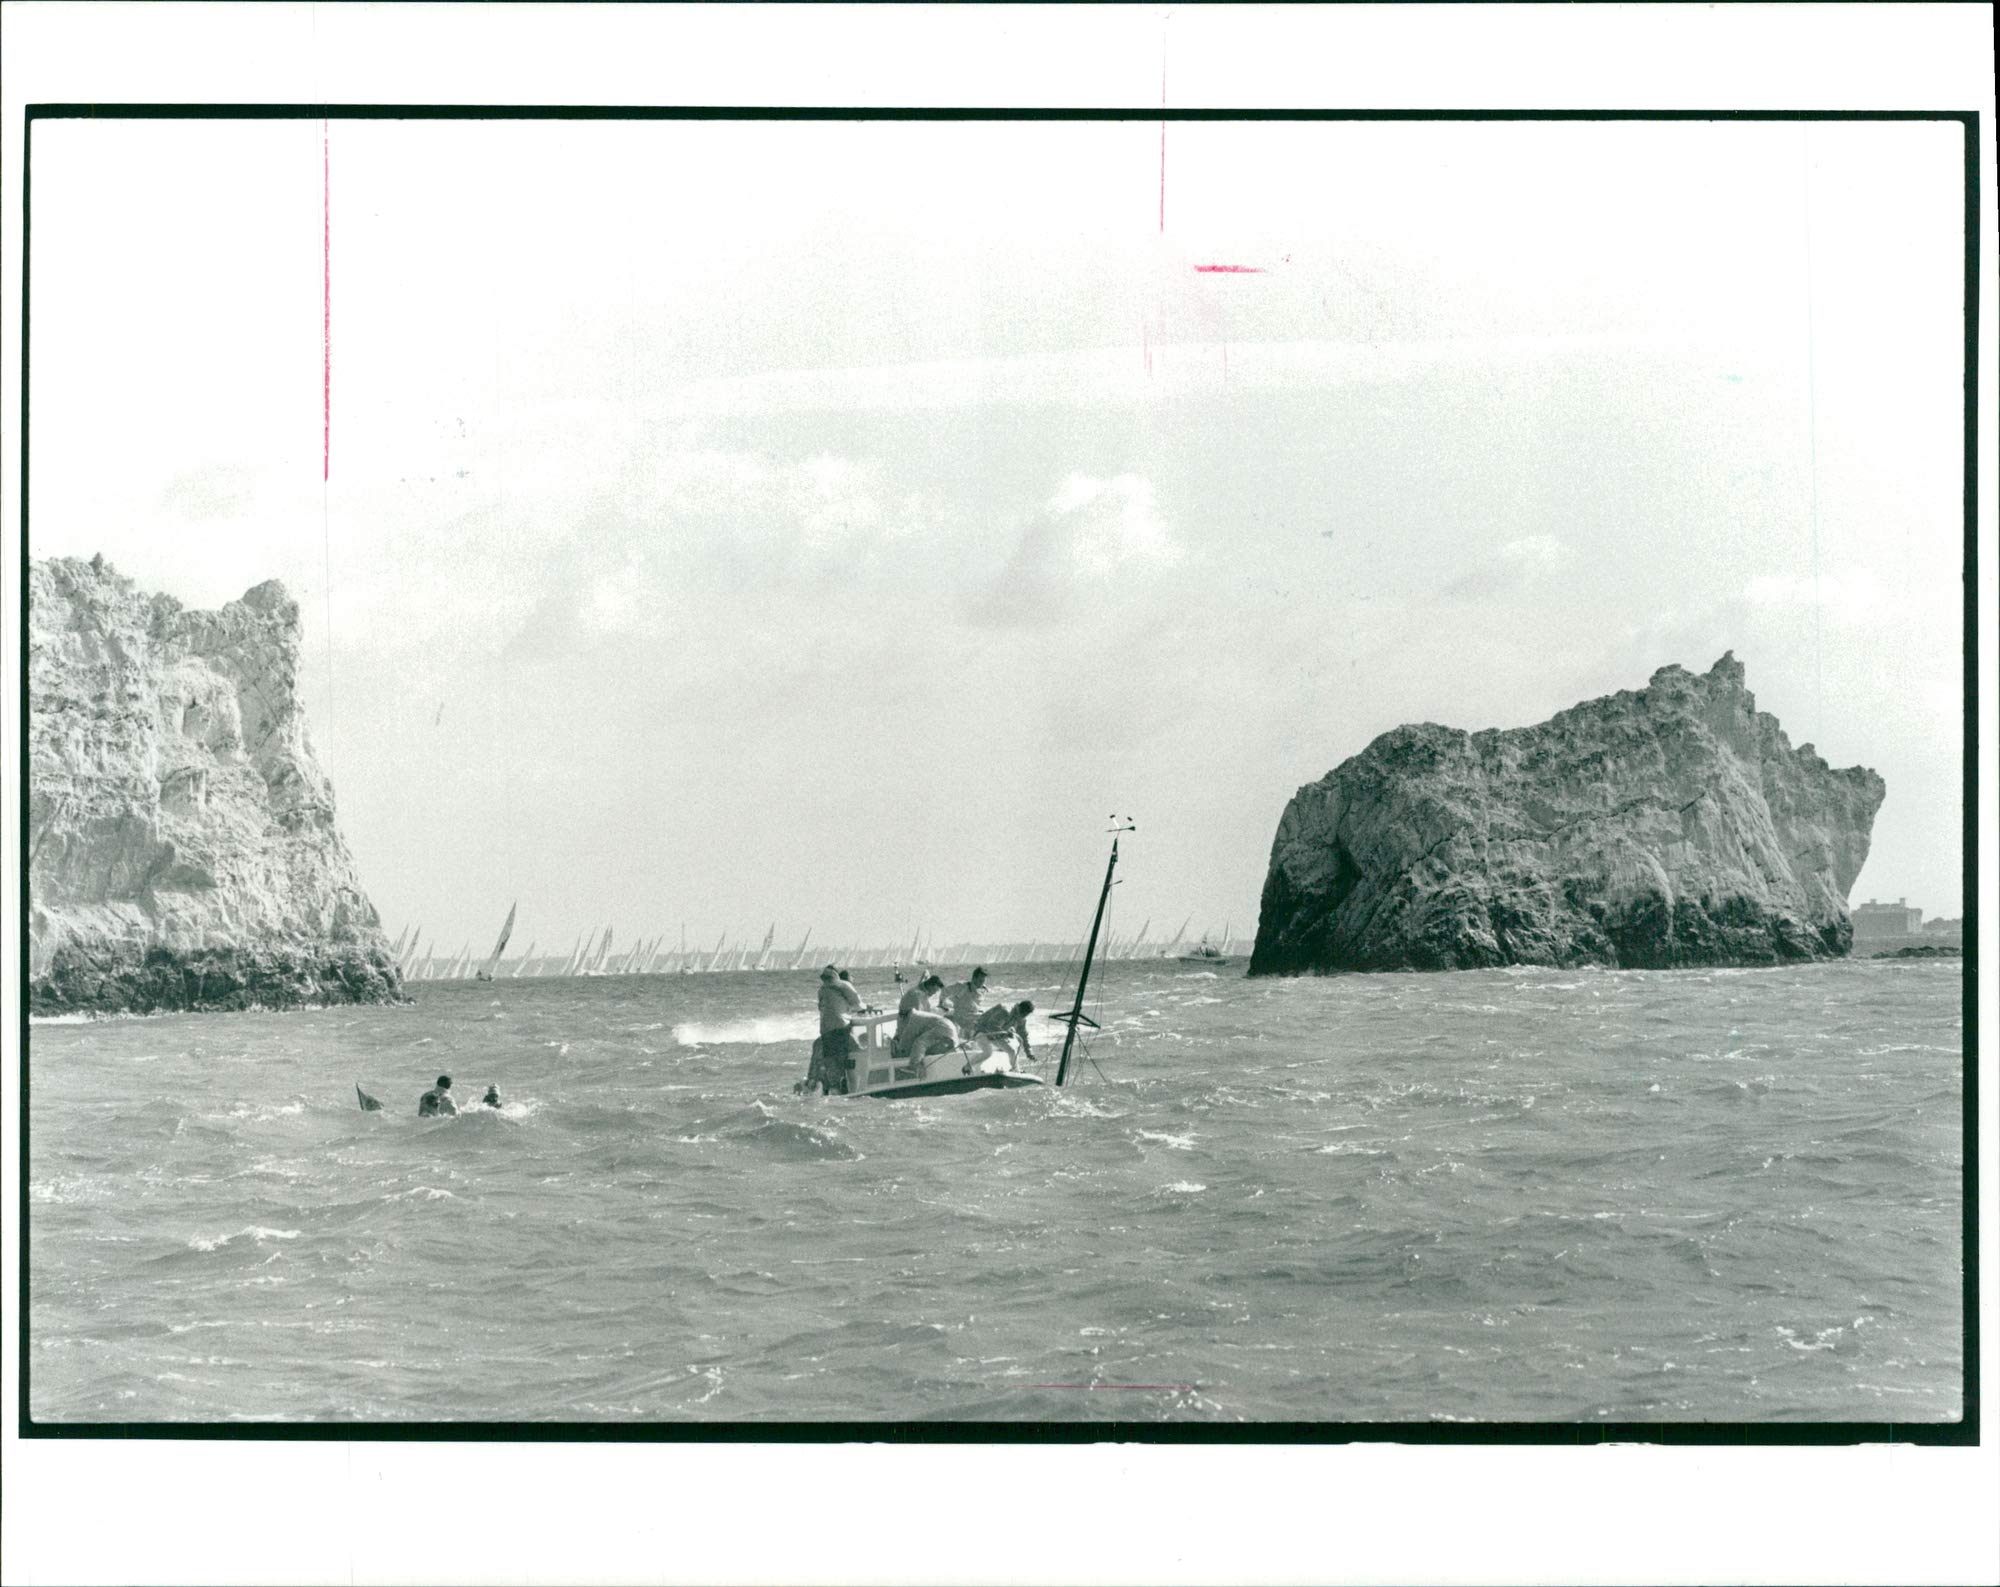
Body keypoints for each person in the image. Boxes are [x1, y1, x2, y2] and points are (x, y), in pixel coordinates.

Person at [805, 963, 864, 1095]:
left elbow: (821, 1007)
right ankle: (848, 1086)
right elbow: (858, 1004)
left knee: (831, 1058)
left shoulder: (821, 989)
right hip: (841, 1025)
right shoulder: (843, 985)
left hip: (825, 1028)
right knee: (844, 1056)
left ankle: (833, 1087)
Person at [893, 973, 958, 1063]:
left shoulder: (921, 993)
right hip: (907, 1032)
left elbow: (926, 1012)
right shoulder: (917, 995)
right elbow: (919, 1020)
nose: (933, 994)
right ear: (931, 986)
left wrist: (941, 1009)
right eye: (934, 991)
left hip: (912, 1026)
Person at [940, 966, 988, 1031]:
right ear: (974, 978)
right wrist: (943, 1004)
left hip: (973, 1016)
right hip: (963, 1017)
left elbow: (975, 1005)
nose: (982, 983)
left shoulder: (982, 990)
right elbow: (944, 991)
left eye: (983, 981)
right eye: (980, 981)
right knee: (989, 1017)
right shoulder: (962, 986)